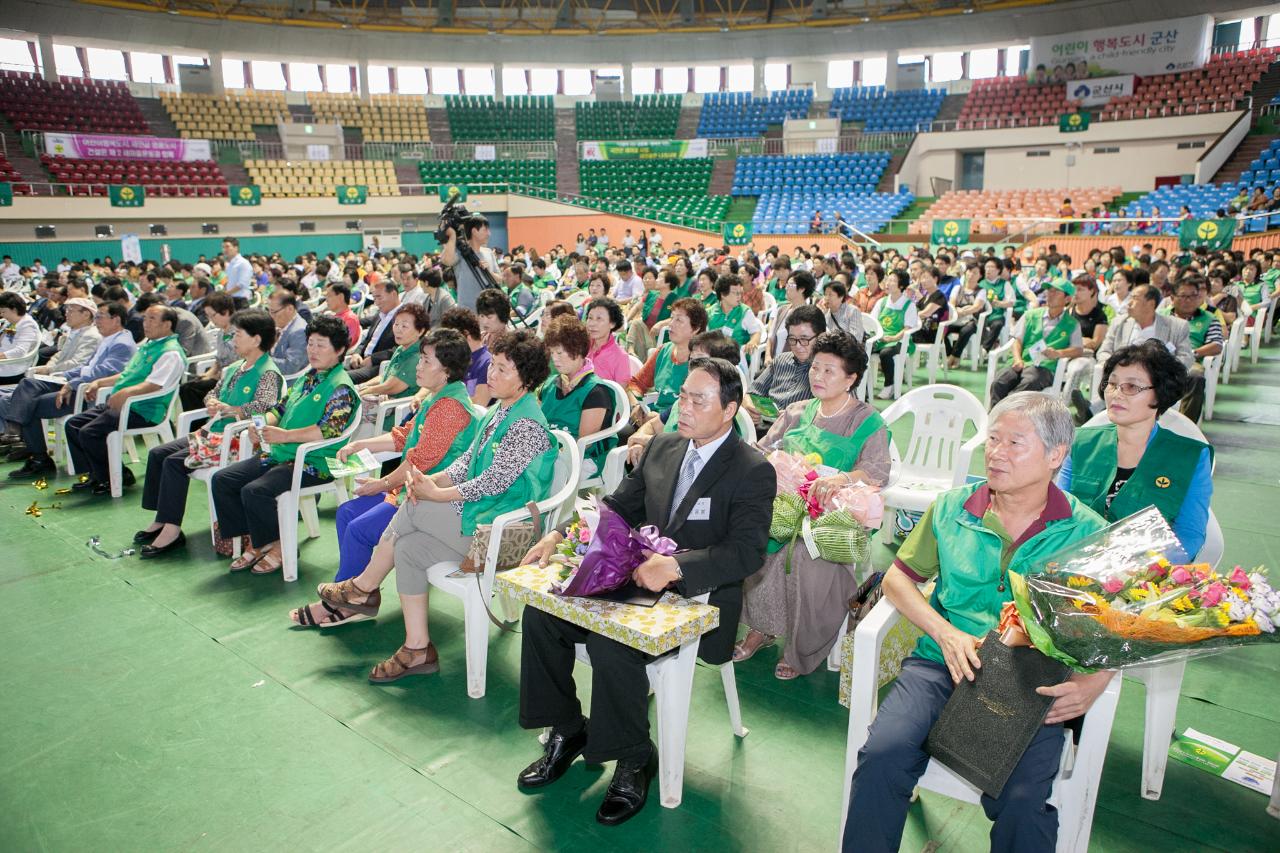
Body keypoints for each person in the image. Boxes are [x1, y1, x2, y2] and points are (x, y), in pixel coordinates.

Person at [843, 392, 1113, 853]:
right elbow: (898, 581)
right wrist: (944, 631)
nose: (995, 453)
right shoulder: (951, 508)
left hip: (1029, 683)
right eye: (992, 439)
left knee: (1024, 802)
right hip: (940, 666)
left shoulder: (1086, 532)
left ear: (1055, 455)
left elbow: (1113, 626)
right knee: (883, 756)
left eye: (1014, 443)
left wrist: (1096, 681)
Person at [516, 357, 776, 826]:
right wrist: (560, 534)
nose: (687, 406)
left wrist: (675, 566)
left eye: (700, 399)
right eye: (684, 396)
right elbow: (615, 508)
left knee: (609, 640)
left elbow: (747, 552)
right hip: (636, 578)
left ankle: (634, 757)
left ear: (730, 409)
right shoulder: (664, 447)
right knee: (541, 614)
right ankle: (569, 729)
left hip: (698, 596)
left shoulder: (751, 469)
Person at [314, 331, 556, 679]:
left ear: (527, 379)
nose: (492, 374)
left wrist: (435, 493)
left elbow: (495, 481)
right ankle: (417, 648)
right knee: (409, 547)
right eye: (494, 366)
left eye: (503, 369)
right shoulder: (498, 411)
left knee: (415, 505)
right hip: (480, 518)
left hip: (503, 532)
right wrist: (433, 481)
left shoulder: (527, 424)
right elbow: (467, 463)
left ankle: (363, 588)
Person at [289, 329, 479, 628]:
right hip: (408, 490)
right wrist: (360, 444)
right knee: (346, 512)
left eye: (426, 362)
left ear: (447, 371)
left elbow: (420, 461)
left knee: (360, 529)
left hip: (425, 498)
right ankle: (356, 594)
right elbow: (404, 437)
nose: (418, 366)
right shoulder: (437, 398)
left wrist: (381, 483)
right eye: (420, 359)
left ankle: (344, 600)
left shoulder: (450, 408)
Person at [739, 331, 892, 677]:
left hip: (833, 519)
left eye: (829, 371)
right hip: (786, 507)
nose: (817, 377)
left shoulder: (867, 421)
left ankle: (803, 646)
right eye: (815, 368)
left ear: (851, 378)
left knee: (807, 560)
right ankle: (761, 629)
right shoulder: (797, 411)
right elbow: (764, 449)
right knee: (756, 542)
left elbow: (877, 471)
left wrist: (840, 478)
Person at [209, 316, 361, 575]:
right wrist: (261, 426)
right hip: (281, 455)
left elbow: (326, 431)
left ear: (339, 350)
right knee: (223, 479)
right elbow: (278, 410)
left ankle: (279, 546)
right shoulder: (306, 378)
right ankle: (257, 541)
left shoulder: (341, 388)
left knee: (255, 491)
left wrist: (284, 436)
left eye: (321, 345)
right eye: (310, 344)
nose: (312, 350)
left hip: (314, 463)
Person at [134, 310, 284, 559]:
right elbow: (212, 392)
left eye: (237, 334)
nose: (233, 339)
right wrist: (213, 402)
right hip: (213, 433)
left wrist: (234, 410)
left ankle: (172, 531)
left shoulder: (268, 373)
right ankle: (162, 517)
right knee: (158, 453)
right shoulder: (235, 367)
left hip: (236, 439)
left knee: (174, 462)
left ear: (256, 339)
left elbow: (266, 408)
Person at [1058, 341, 1212, 558]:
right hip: (1074, 563)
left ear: (1160, 394)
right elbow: (1058, 513)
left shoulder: (1191, 457)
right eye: (1112, 384)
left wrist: (1139, 574)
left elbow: (1189, 534)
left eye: (1131, 387)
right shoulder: (1080, 443)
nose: (1116, 394)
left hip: (1143, 576)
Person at [64, 305, 185, 495]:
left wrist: (124, 393)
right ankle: (97, 473)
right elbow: (127, 374)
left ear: (167, 324)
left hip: (143, 410)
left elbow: (154, 385)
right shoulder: (149, 344)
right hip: (123, 404)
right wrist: (99, 382)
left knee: (90, 433)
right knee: (73, 424)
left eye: (152, 319)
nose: (145, 324)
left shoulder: (171, 352)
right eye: (145, 318)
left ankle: (109, 478)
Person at [0, 297, 99, 452]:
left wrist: (51, 371)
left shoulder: (91, 336)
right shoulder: (75, 332)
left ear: (86, 314)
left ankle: (23, 442)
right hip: (55, 377)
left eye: (71, 311)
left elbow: (77, 364)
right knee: (9, 394)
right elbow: (58, 356)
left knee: (15, 397)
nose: (66, 314)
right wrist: (48, 368)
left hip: (67, 383)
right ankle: (15, 439)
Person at [539, 317, 616, 477]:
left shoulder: (595, 391)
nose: (555, 358)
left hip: (581, 458)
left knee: (544, 474)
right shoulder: (550, 384)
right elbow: (536, 423)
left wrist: (547, 455)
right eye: (552, 352)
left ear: (578, 349)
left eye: (559, 352)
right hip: (549, 452)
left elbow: (583, 443)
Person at [989, 279, 1084, 405]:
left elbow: (1078, 350)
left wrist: (1058, 353)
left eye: (1056, 292)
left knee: (1028, 383)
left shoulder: (1072, 324)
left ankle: (1009, 415)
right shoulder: (1030, 315)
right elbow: (1017, 340)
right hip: (1020, 362)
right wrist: (1017, 359)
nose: (1050, 294)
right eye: (1049, 291)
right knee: (999, 382)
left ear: (1067, 299)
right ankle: (994, 417)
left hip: (1044, 367)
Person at [744, 304, 825, 426]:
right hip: (764, 425)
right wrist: (749, 407)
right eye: (792, 339)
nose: (797, 346)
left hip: (798, 433)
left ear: (821, 336)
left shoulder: (826, 371)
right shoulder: (781, 360)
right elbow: (752, 392)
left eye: (804, 339)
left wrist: (795, 416)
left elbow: (831, 414)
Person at [627, 298, 707, 415]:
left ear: (696, 329)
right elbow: (636, 384)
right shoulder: (664, 350)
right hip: (653, 417)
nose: (670, 324)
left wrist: (658, 421)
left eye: (678, 320)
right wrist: (636, 406)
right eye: (671, 318)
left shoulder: (704, 361)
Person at [354, 303, 429, 428]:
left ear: (420, 331)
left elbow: (391, 387)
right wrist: (361, 386)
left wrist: (362, 392)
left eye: (404, 326)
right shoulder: (401, 348)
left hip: (392, 414)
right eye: (396, 324)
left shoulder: (417, 357)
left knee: (346, 405)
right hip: (380, 401)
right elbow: (385, 375)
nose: (398, 329)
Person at [1095, 284, 1194, 374]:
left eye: (1134, 298)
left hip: (1160, 380)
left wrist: (1163, 371)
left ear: (1150, 304)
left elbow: (1186, 357)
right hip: (1123, 376)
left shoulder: (1176, 326)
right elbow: (1103, 352)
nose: (1129, 303)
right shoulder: (1119, 322)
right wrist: (1115, 367)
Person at [177, 292, 238, 413]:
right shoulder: (221, 332)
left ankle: (196, 425)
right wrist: (209, 373)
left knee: (189, 390)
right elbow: (219, 360)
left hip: (233, 380)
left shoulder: (240, 332)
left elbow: (241, 362)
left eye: (212, 315)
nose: (210, 320)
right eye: (208, 316)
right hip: (220, 376)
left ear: (225, 312)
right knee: (188, 386)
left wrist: (218, 376)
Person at [872, 270, 919, 400]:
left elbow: (907, 328)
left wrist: (893, 338)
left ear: (901, 286)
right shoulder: (881, 302)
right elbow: (874, 323)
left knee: (886, 353)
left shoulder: (909, 305)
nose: (888, 283)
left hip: (899, 341)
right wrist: (879, 335)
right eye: (888, 279)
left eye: (893, 280)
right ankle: (863, 388)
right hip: (881, 338)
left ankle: (889, 386)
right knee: (860, 350)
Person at [347, 276, 403, 383]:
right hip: (360, 361)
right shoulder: (380, 314)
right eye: (374, 298)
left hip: (379, 367)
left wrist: (373, 359)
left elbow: (401, 348)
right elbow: (367, 339)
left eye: (379, 297)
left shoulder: (404, 317)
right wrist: (357, 353)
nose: (376, 302)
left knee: (341, 378)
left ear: (393, 295)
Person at [441, 212, 500, 312]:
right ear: (474, 231)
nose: (489, 234)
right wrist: (452, 236)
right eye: (485, 230)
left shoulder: (489, 252)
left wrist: (489, 272)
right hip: (467, 313)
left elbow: (500, 279)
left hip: (488, 311)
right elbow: (446, 261)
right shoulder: (460, 253)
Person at [439, 307, 491, 406]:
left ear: (466, 334)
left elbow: (479, 403)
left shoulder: (487, 363)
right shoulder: (453, 359)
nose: (447, 344)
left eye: (450, 338)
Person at [624, 268, 676, 361]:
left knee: (636, 324)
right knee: (635, 323)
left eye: (660, 277)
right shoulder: (652, 295)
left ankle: (634, 355)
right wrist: (626, 321)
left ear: (668, 283)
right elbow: (636, 308)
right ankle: (630, 349)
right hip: (644, 332)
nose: (656, 280)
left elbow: (675, 317)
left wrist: (661, 323)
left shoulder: (675, 299)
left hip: (658, 337)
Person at [944, 262, 988, 369]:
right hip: (955, 319)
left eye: (975, 273)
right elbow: (952, 303)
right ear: (965, 273)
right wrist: (957, 311)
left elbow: (976, 307)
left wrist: (962, 311)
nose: (971, 275)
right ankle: (949, 354)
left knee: (966, 330)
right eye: (969, 271)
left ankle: (954, 357)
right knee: (941, 329)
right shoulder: (957, 288)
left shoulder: (981, 291)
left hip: (972, 321)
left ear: (980, 276)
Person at [765, 269, 815, 365]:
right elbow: (770, 337)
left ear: (802, 289)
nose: (786, 288)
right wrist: (767, 356)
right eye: (786, 284)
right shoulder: (782, 310)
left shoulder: (811, 316)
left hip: (793, 369)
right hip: (773, 364)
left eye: (790, 285)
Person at [707, 274, 763, 353]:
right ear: (723, 294)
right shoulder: (709, 312)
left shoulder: (745, 311)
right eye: (735, 293)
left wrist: (753, 341)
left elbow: (756, 332)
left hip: (738, 358)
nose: (739, 296)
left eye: (740, 293)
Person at [583, 297, 631, 386]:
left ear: (612, 323)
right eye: (590, 318)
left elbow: (621, 394)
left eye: (599, 319)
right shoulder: (582, 347)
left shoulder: (620, 357)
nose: (592, 324)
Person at [0, 292, 40, 385]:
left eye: (4, 312)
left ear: (14, 309)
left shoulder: (28, 325)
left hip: (11, 367)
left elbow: (20, 351)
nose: (2, 315)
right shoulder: (13, 322)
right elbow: (7, 341)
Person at [268, 290, 309, 377]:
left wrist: (261, 360)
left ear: (289, 309)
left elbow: (290, 367)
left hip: (286, 382)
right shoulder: (284, 324)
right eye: (269, 311)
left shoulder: (299, 331)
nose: (271, 316)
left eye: (274, 312)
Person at [325, 281, 361, 345]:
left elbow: (343, 345)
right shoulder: (335, 316)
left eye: (329, 296)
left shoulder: (350, 319)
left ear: (341, 297)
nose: (326, 299)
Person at [222, 237, 254, 310]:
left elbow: (241, 284)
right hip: (230, 299)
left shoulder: (243, 263)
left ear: (236, 248)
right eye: (223, 247)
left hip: (240, 300)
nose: (224, 249)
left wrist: (225, 294)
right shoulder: (229, 264)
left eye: (227, 246)